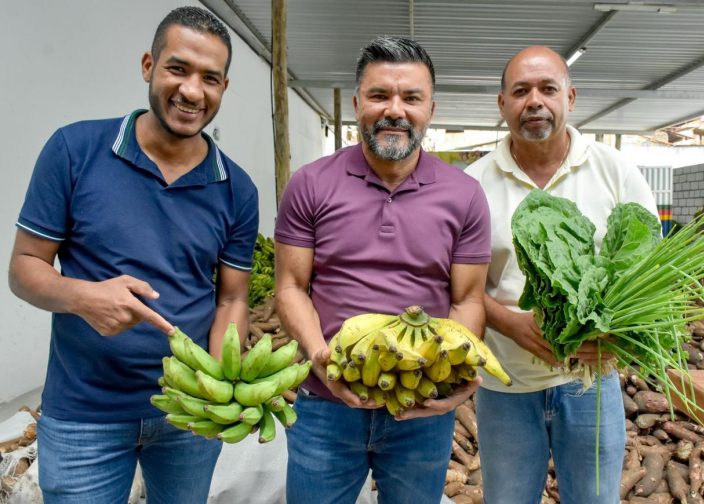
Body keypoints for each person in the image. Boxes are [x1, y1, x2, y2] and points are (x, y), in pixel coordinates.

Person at [8, 7, 258, 503]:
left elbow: (231, 300)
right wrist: (84, 297)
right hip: (85, 413)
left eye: (210, 78)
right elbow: (24, 268)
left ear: (224, 89)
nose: (192, 91)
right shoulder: (75, 150)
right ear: (148, 65)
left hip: (186, 416)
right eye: (178, 68)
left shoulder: (237, 189)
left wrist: (216, 390)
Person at [274, 36, 491, 503]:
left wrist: (454, 374)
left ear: (431, 108)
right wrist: (319, 356)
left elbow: (468, 299)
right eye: (379, 96)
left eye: (411, 97)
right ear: (357, 104)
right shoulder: (310, 184)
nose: (395, 110)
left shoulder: (464, 194)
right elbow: (291, 286)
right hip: (326, 405)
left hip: (420, 408)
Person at [465, 46, 658, 504]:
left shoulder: (614, 171)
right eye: (520, 91)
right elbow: (458, 285)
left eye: (547, 88)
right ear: (502, 104)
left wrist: (616, 334)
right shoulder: (471, 184)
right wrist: (509, 322)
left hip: (591, 383)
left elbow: (652, 271)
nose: (534, 101)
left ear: (570, 97)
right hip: (504, 386)